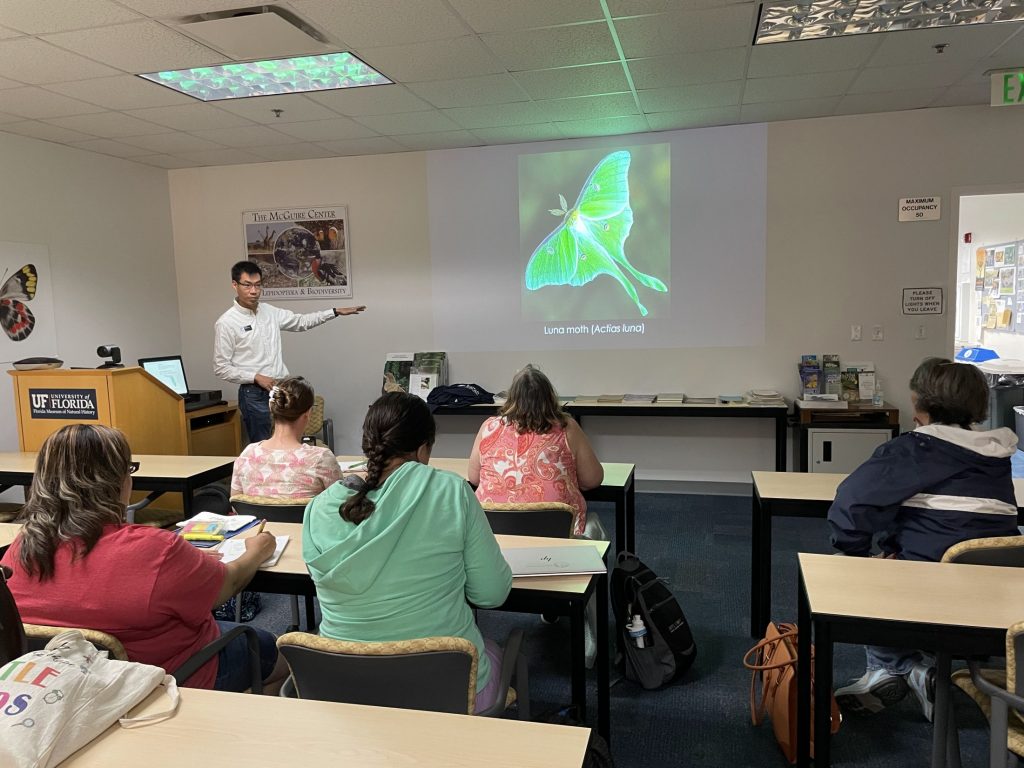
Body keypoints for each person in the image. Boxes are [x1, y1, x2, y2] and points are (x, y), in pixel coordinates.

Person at [0, 424, 290, 692]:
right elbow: (228, 584)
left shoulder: (21, 548)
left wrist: (184, 565)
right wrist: (258, 550)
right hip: (162, 680)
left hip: (67, 688)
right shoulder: (155, 550)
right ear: (115, 481)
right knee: (280, 657)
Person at [829, 357, 1019, 721]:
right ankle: (917, 671)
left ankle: (893, 665)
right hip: (997, 602)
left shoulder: (912, 450)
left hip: (928, 595)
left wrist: (856, 558)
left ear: (920, 402)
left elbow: (850, 508)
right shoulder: (997, 457)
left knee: (866, 569)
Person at [303, 393, 513, 712]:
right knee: (499, 652)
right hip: (446, 691)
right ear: (422, 449)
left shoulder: (318, 508)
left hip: (344, 690)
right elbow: (491, 594)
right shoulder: (450, 491)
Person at [214, 260, 366, 443]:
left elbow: (301, 321)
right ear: (234, 285)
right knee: (263, 446)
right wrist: (256, 377)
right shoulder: (227, 322)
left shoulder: (269, 312)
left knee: (290, 443)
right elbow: (221, 367)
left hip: (281, 389)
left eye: (258, 285)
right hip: (253, 394)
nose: (253, 291)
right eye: (247, 285)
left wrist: (334, 312)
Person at [469, 364, 604, 537]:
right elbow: (592, 480)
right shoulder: (566, 428)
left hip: (493, 537)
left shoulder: (489, 427)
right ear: (549, 397)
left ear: (512, 398)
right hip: (558, 536)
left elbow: (474, 478)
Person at [231, 376, 341, 498]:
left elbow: (236, 504)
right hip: (304, 518)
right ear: (308, 414)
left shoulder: (247, 455)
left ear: (271, 408)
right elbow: (339, 506)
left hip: (260, 518)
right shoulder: (321, 458)